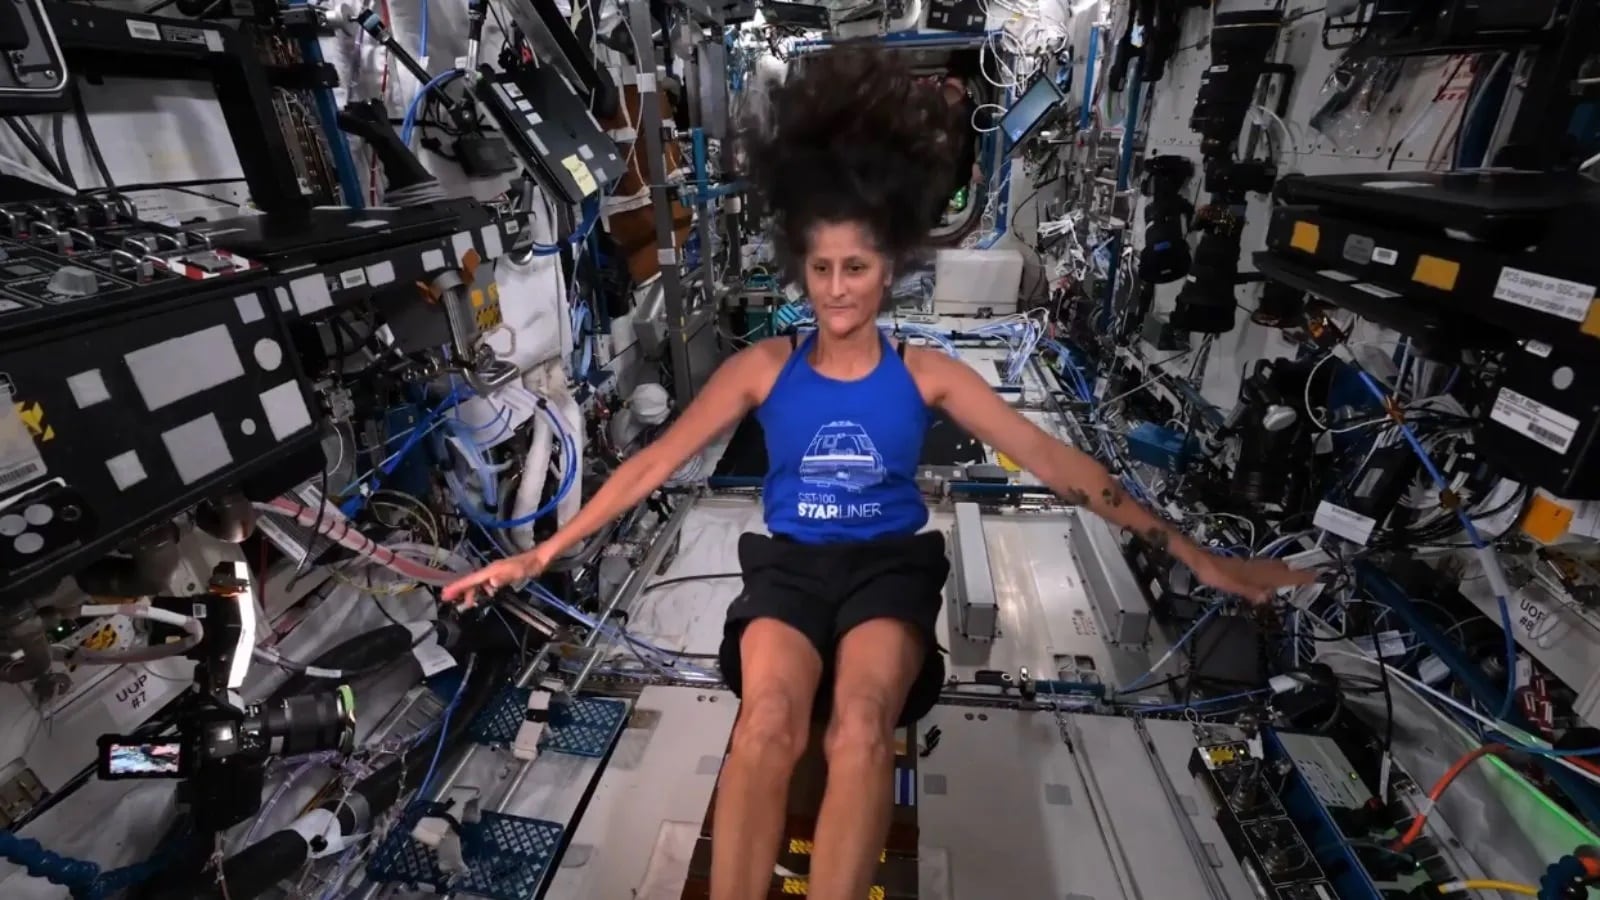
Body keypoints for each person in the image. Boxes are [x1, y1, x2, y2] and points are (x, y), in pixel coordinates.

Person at [443, 49, 1313, 900]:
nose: (836, 289)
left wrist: (1196, 556)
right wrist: (540, 553)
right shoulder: (763, 367)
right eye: (821, 269)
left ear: (887, 269)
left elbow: (1058, 463)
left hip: (889, 568)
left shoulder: (928, 372)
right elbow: (653, 464)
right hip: (791, 566)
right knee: (767, 726)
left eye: (855, 268)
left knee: (860, 729)